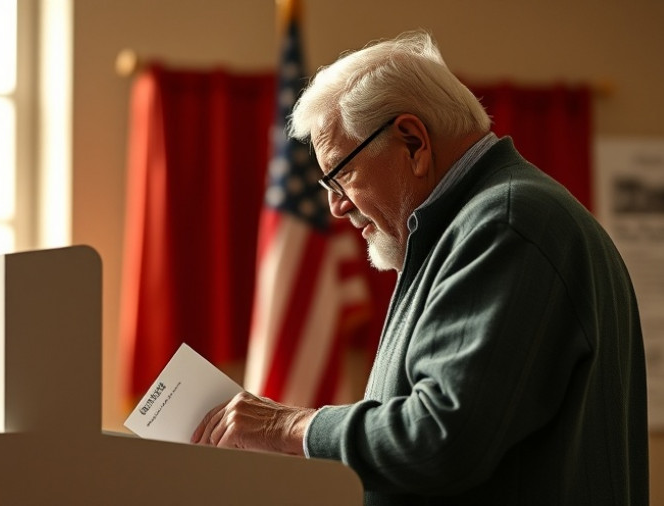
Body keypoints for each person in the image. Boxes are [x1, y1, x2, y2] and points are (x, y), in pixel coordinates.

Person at [191, 30, 649, 505]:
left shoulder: (506, 224)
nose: (336, 207)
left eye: (341, 174)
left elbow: (441, 437)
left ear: (413, 142)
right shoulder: (478, 223)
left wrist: (286, 427)